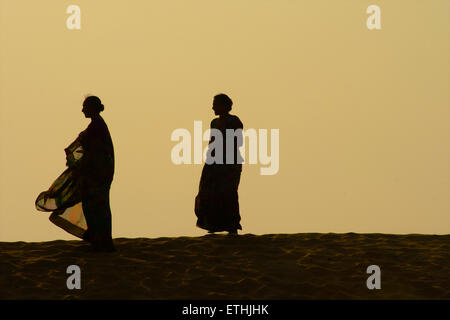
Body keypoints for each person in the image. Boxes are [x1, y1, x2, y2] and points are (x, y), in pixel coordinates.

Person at [36, 95, 115, 251]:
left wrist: (80, 164)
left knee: (96, 207)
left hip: (97, 175)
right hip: (96, 174)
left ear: (92, 108)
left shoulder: (97, 127)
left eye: (85, 107)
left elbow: (95, 152)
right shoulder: (96, 126)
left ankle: (101, 242)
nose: (82, 110)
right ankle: (100, 241)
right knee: (96, 206)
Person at [194, 94, 243, 235]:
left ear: (224, 105)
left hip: (230, 163)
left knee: (228, 193)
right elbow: (212, 142)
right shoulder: (214, 123)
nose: (212, 107)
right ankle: (212, 225)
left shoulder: (234, 121)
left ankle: (232, 226)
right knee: (208, 192)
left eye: (215, 104)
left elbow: (238, 142)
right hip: (213, 162)